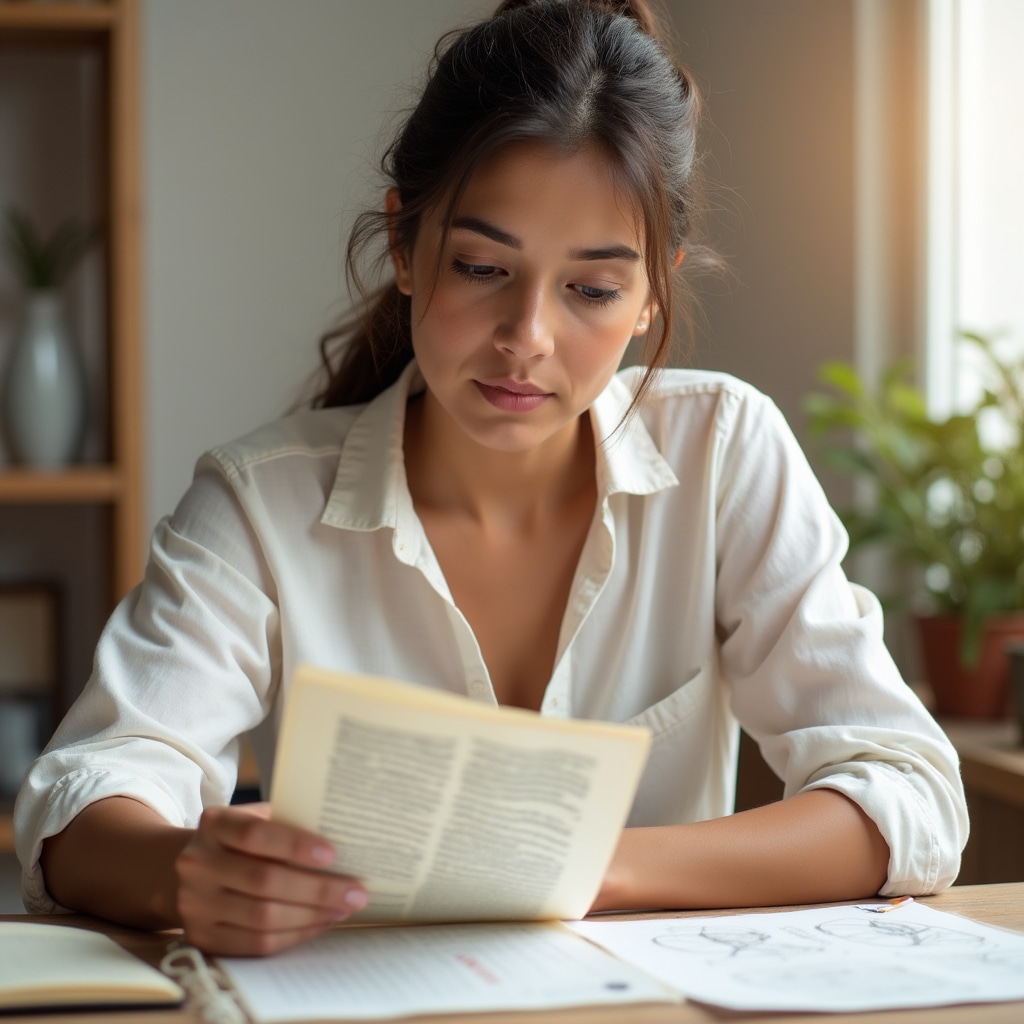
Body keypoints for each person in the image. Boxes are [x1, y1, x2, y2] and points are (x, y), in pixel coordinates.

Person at [15, 0, 967, 957]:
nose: (527, 340)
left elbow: (910, 797)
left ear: (653, 294)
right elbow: (85, 793)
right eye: (480, 267)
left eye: (593, 289)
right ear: (403, 245)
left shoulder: (723, 451)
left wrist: (587, 869)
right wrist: (186, 870)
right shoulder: (264, 503)